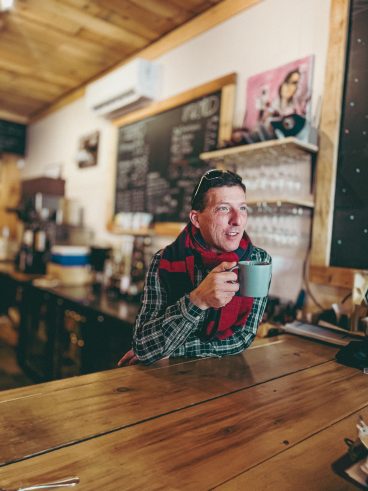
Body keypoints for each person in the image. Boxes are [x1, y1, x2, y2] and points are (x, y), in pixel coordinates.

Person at [118, 169, 271, 366]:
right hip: (168, 384)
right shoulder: (165, 260)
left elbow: (243, 338)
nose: (238, 220)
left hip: (227, 380)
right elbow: (143, 344)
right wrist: (198, 300)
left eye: (242, 208)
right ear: (196, 219)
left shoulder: (258, 260)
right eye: (223, 209)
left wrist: (172, 350)